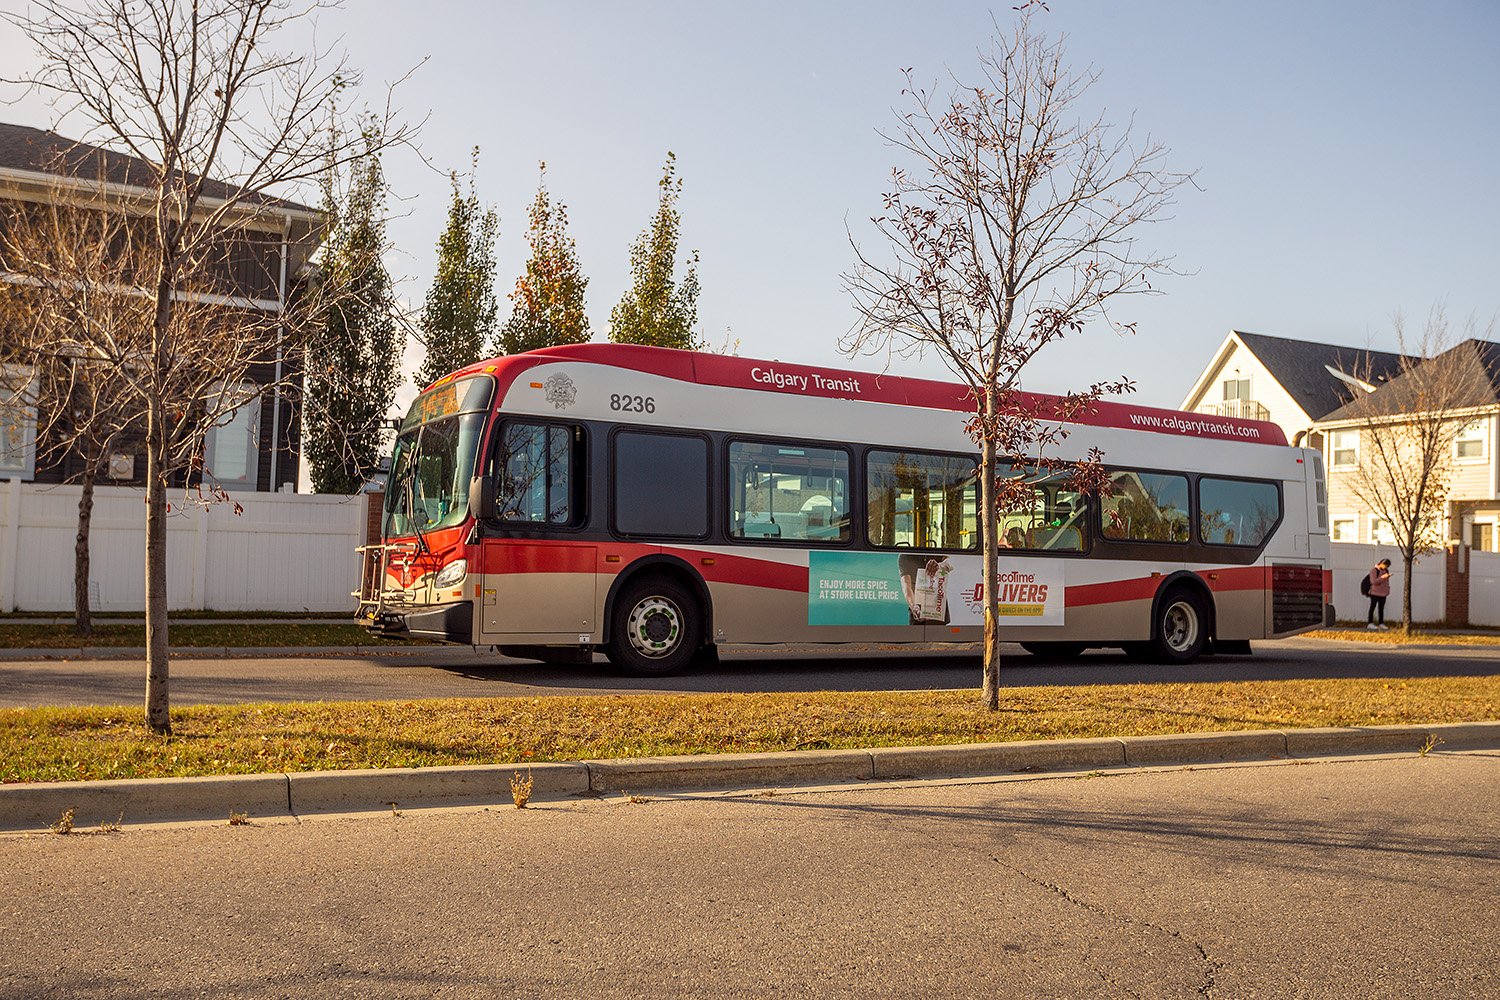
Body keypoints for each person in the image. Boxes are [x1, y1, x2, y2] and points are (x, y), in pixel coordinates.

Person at [1366, 558, 1392, 630]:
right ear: (1381, 563)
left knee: (1381, 608)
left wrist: (1387, 589)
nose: (1386, 567)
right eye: (1385, 565)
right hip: (1375, 592)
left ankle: (1381, 623)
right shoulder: (1374, 570)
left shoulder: (1386, 571)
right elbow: (1374, 581)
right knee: (1372, 607)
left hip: (1383, 593)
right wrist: (1383, 577)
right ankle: (1370, 623)